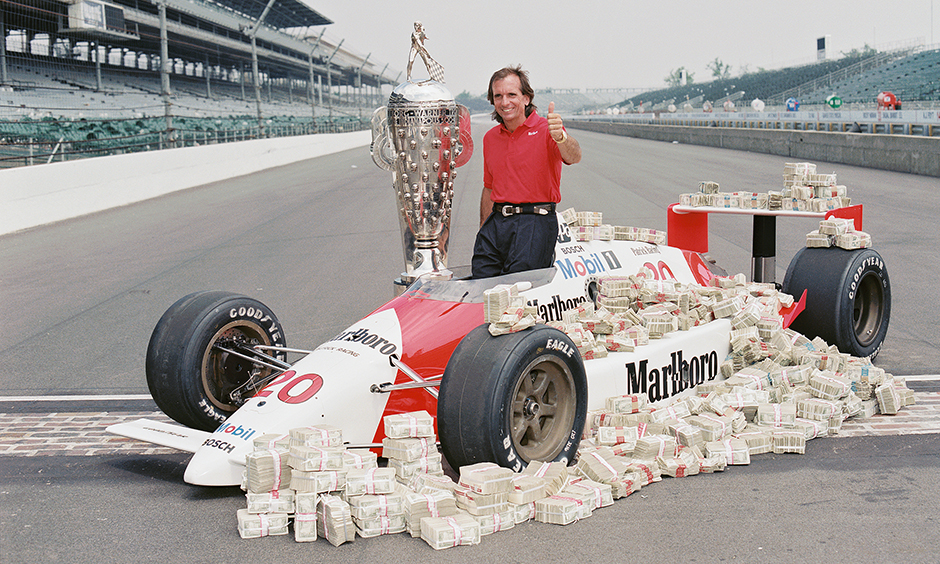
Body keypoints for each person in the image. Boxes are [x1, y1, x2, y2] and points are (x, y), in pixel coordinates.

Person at [470, 65, 582, 279]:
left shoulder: (547, 129)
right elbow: (489, 187)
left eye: (512, 94)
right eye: (498, 96)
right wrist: (483, 230)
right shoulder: (490, 138)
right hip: (496, 223)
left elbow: (574, 156)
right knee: (482, 286)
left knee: (518, 291)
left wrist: (561, 137)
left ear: (526, 98)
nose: (505, 102)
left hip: (534, 222)